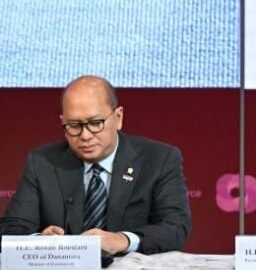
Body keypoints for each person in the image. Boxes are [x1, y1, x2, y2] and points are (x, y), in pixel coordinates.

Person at [0, 75, 191, 254]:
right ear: (63, 122)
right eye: (74, 125)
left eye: (95, 123)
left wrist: (122, 240)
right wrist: (39, 240)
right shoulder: (42, 162)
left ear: (118, 117)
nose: (85, 135)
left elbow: (175, 227)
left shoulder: (159, 159)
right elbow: (11, 229)